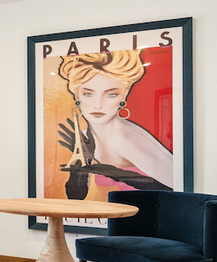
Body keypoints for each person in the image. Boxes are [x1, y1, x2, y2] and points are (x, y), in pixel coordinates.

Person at [56, 49, 174, 200]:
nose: (98, 105)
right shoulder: (85, 138)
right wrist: (79, 168)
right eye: (88, 93)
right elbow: (76, 197)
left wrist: (109, 171)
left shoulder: (125, 138)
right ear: (76, 94)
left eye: (111, 94)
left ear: (124, 95)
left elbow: (176, 191)